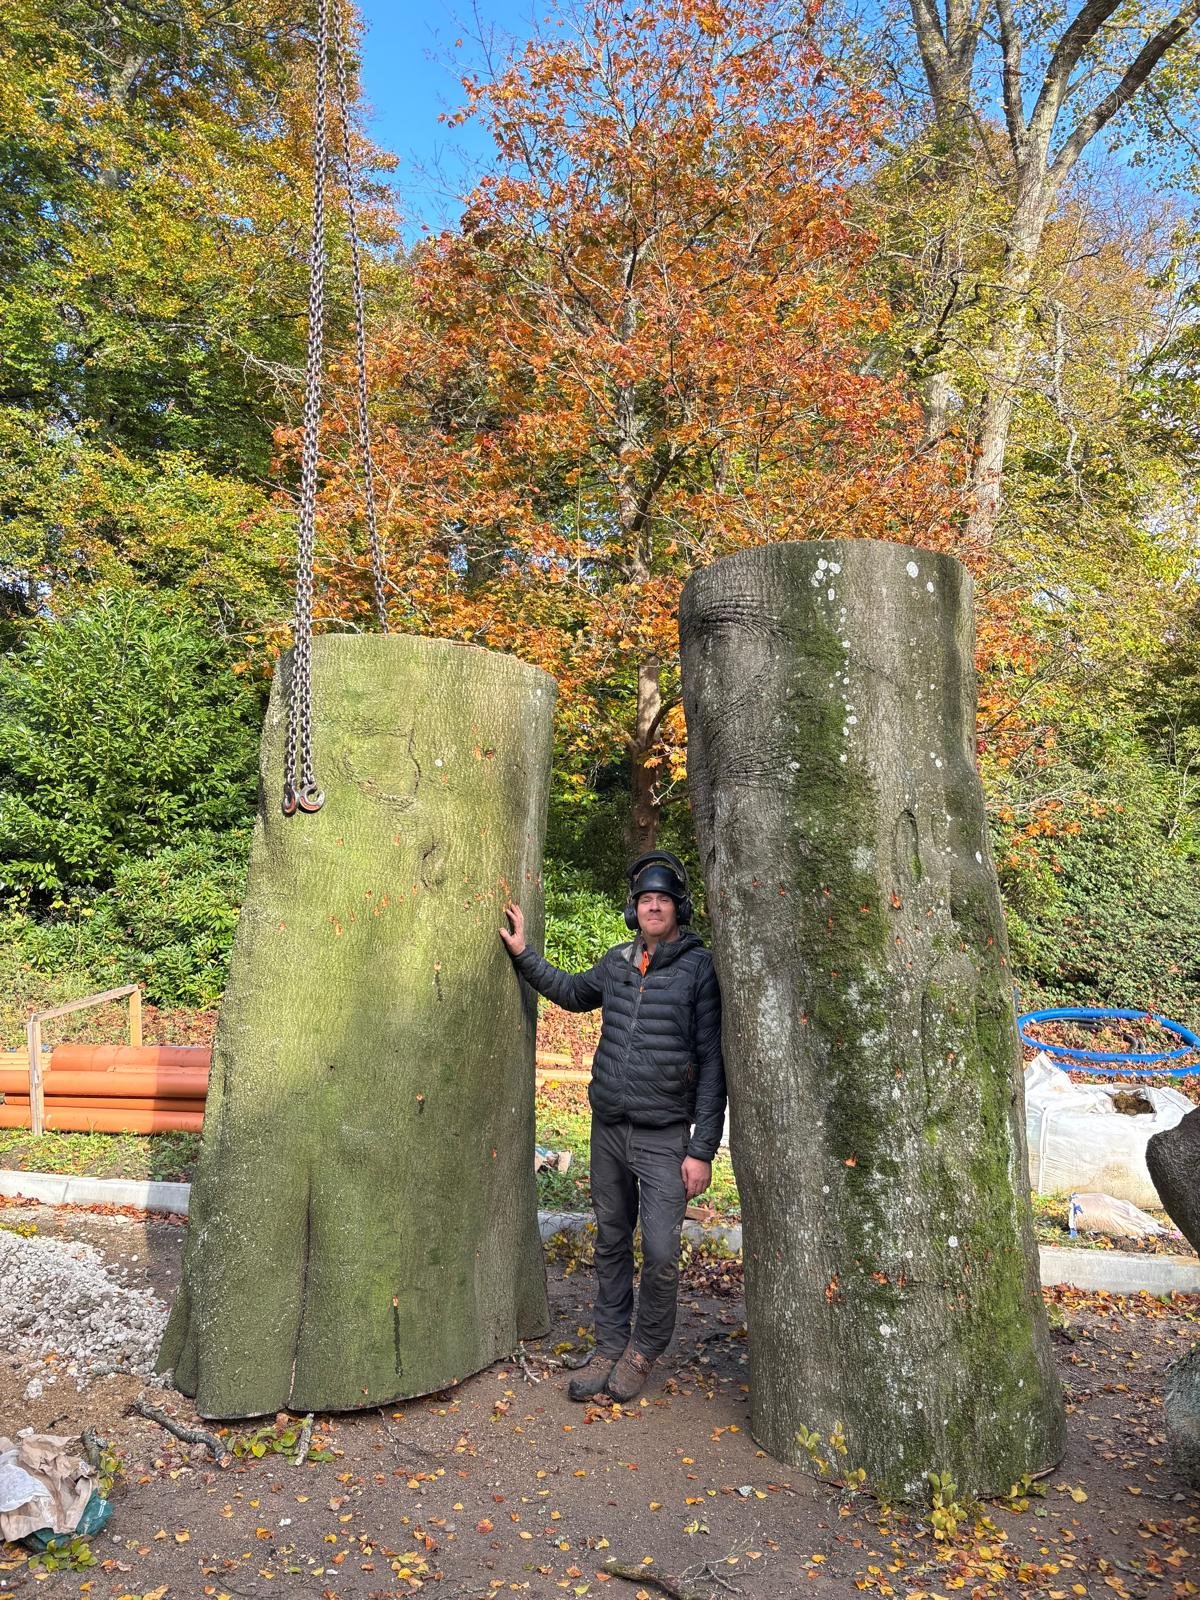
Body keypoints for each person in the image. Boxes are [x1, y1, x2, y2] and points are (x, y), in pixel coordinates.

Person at [499, 850, 726, 1403]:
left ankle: (643, 1350)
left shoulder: (699, 969)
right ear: (634, 909)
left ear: (678, 909)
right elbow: (574, 993)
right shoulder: (619, 961)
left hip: (665, 1135)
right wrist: (524, 954)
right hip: (608, 1130)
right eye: (645, 900)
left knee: (663, 1250)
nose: (653, 907)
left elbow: (713, 1062)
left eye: (662, 900)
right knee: (610, 1239)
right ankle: (609, 1344)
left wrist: (702, 1148)